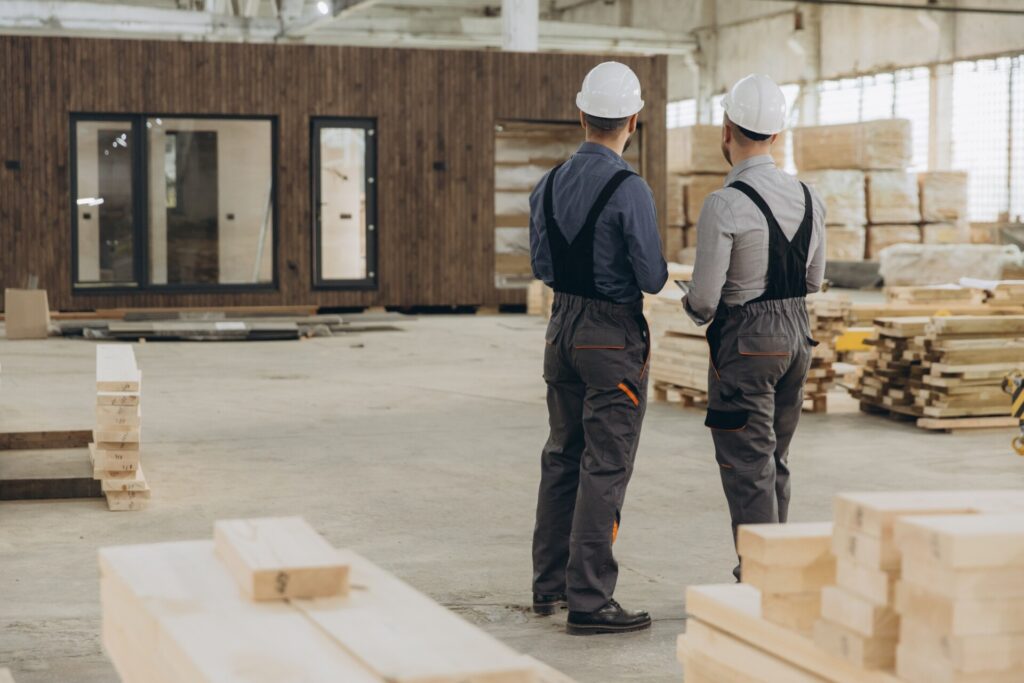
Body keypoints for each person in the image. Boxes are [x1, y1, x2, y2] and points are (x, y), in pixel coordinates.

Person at [529, 61, 668, 635]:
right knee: (605, 463)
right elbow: (653, 276)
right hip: (610, 335)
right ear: (633, 120)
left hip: (561, 328)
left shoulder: (549, 181)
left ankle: (549, 587)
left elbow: (542, 265)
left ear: (581, 113)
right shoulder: (629, 188)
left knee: (562, 455)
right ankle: (589, 599)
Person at [682, 74, 826, 581]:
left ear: (726, 130)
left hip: (747, 345)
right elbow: (813, 280)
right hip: (796, 339)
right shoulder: (811, 198)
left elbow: (702, 302)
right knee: (775, 459)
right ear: (778, 135)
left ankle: (763, 577)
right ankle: (777, 567)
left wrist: (691, 303)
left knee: (748, 465)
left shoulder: (724, 204)